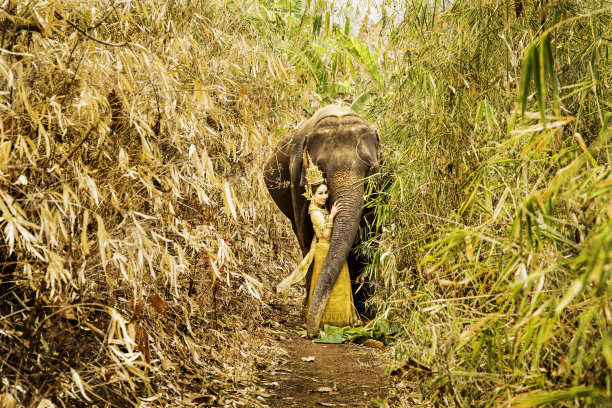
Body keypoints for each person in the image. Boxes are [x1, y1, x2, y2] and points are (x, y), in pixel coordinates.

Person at [306, 181, 359, 328]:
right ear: (312, 195)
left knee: (338, 283)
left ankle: (340, 318)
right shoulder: (315, 213)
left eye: (325, 193)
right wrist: (332, 216)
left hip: (331, 249)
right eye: (320, 194)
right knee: (330, 283)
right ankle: (328, 321)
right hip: (324, 249)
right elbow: (327, 236)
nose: (324, 197)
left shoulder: (320, 209)